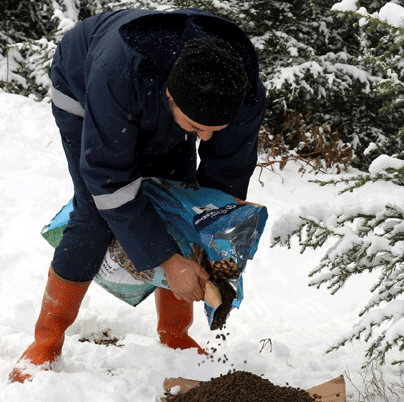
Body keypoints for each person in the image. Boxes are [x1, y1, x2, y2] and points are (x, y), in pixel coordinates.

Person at [10, 8, 266, 382]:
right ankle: (46, 339)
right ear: (169, 96)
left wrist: (213, 236)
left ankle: (175, 333)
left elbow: (225, 178)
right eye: (197, 129)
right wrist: (166, 261)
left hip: (161, 92)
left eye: (216, 129)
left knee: (179, 201)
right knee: (94, 215)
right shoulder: (117, 74)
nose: (206, 139)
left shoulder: (242, 92)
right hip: (85, 87)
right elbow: (108, 181)